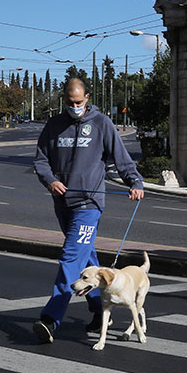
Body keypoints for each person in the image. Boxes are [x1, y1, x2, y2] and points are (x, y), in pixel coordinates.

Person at [32, 78, 144, 344]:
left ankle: (50, 319)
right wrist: (51, 180)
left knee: (70, 259)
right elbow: (40, 160)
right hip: (63, 203)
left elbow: (121, 157)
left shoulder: (101, 123)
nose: (75, 107)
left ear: (88, 97)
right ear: (64, 99)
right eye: (70, 103)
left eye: (79, 102)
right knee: (87, 260)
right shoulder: (54, 125)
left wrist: (135, 182)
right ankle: (97, 310)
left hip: (89, 205)